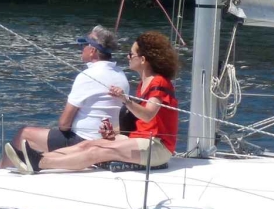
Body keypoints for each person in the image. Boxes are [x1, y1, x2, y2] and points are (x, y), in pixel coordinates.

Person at [11, 32, 180, 174]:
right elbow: (141, 123)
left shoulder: (159, 83)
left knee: (98, 151)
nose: (128, 57)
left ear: (143, 60)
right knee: (89, 144)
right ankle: (39, 158)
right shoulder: (144, 84)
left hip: (158, 148)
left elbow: (149, 115)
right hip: (143, 141)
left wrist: (125, 100)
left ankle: (40, 164)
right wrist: (114, 132)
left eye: (131, 54)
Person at [0, 26, 129, 170]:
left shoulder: (86, 76)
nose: (82, 48)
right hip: (108, 139)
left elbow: (64, 124)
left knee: (23, 133)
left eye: (83, 44)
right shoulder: (121, 74)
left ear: (92, 50)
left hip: (83, 140)